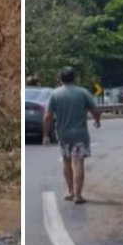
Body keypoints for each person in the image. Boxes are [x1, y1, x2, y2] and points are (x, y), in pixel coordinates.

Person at [42, 66, 99, 204]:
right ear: (74, 78)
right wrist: (97, 121)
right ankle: (78, 195)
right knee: (78, 162)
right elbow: (94, 110)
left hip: (63, 135)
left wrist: (45, 135)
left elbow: (48, 116)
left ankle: (70, 191)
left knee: (67, 162)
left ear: (60, 78)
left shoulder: (55, 95)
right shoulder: (83, 93)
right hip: (80, 134)